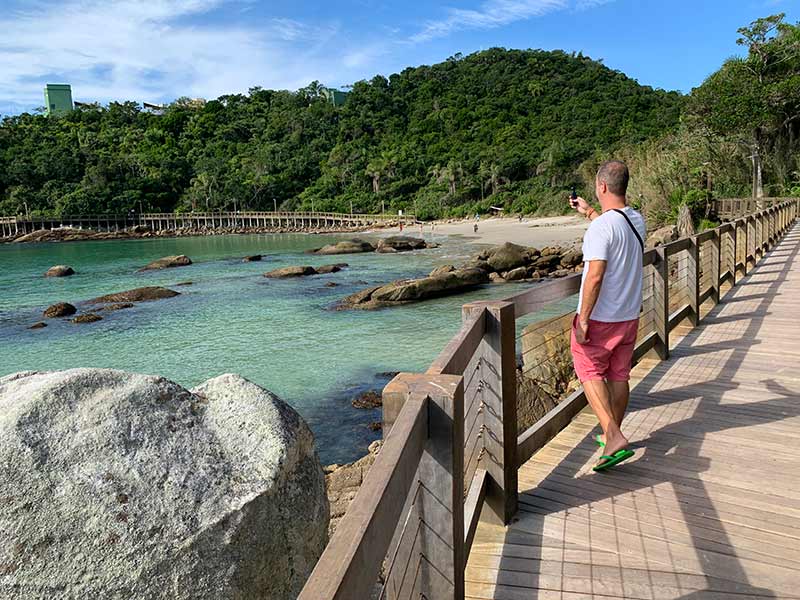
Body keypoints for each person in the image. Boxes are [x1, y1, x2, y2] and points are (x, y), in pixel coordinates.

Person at [569, 160, 646, 472]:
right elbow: (614, 227)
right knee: (618, 375)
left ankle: (613, 436)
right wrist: (589, 212)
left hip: (602, 317)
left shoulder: (601, 228)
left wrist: (583, 319)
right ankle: (610, 435)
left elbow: (595, 276)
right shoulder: (636, 219)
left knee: (588, 369)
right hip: (629, 315)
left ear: (601, 186)